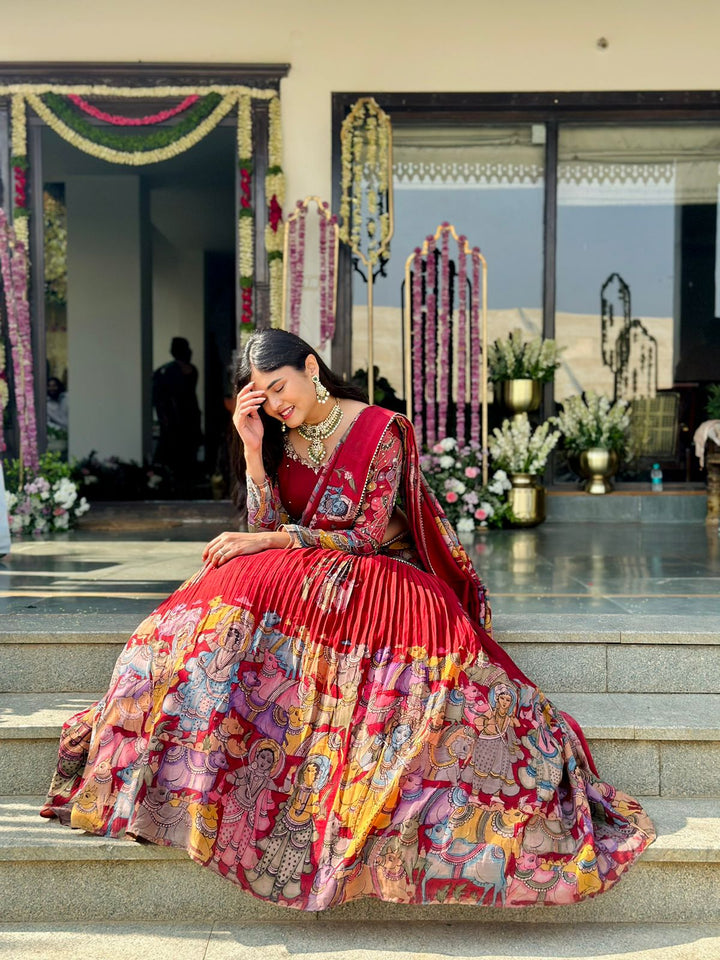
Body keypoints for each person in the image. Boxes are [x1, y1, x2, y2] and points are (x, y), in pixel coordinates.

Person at [41, 329, 655, 910]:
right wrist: (253, 451)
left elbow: (362, 534)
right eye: (262, 396)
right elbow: (265, 528)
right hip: (310, 567)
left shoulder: (381, 429)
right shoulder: (279, 438)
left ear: (311, 366)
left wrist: (273, 543)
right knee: (215, 600)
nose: (277, 404)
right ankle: (174, 768)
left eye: (280, 386)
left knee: (255, 569)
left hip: (384, 572)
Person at [152, 337, 202, 496]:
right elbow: (159, 400)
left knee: (188, 455)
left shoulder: (190, 370)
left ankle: (186, 486)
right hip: (173, 421)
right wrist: (164, 419)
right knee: (174, 456)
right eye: (186, 348)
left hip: (188, 419)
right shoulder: (165, 372)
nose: (190, 352)